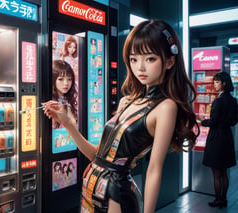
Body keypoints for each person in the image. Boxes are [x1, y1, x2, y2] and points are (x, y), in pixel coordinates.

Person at [43, 19, 199, 213]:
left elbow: (154, 169)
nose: (140, 67)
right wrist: (68, 125)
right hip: (90, 187)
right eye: (134, 59)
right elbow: (96, 155)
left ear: (169, 61)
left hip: (116, 195)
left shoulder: (165, 107)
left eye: (150, 59)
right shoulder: (128, 101)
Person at [200, 71, 237, 208]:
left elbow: (213, 121)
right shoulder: (233, 101)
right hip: (227, 137)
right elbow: (234, 121)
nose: (214, 84)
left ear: (224, 84)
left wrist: (202, 121)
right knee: (224, 173)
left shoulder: (218, 101)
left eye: (216, 82)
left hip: (216, 138)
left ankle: (218, 200)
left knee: (216, 174)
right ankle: (224, 199)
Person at [52, 60, 78, 129]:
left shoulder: (69, 100)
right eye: (61, 79)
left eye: (69, 79)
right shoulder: (51, 104)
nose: (66, 83)